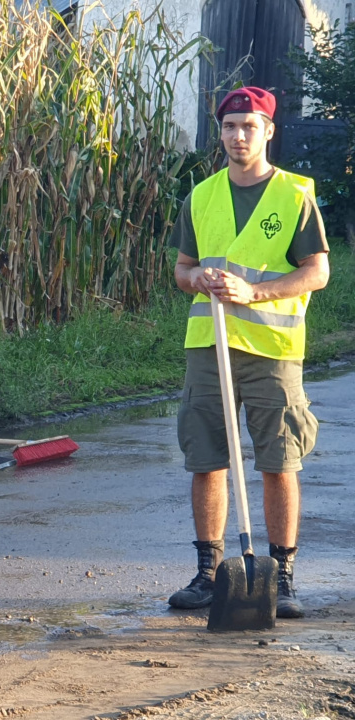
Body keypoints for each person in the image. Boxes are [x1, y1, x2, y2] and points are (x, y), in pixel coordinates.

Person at [168, 87, 330, 619]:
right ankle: (209, 572)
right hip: (207, 346)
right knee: (207, 458)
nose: (239, 136)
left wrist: (253, 292)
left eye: (249, 127)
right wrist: (197, 277)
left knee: (279, 461)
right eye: (230, 126)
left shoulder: (293, 195)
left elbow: (318, 271)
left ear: (268, 132)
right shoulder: (201, 196)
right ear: (220, 132)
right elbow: (181, 269)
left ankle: (281, 577)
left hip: (272, 349)